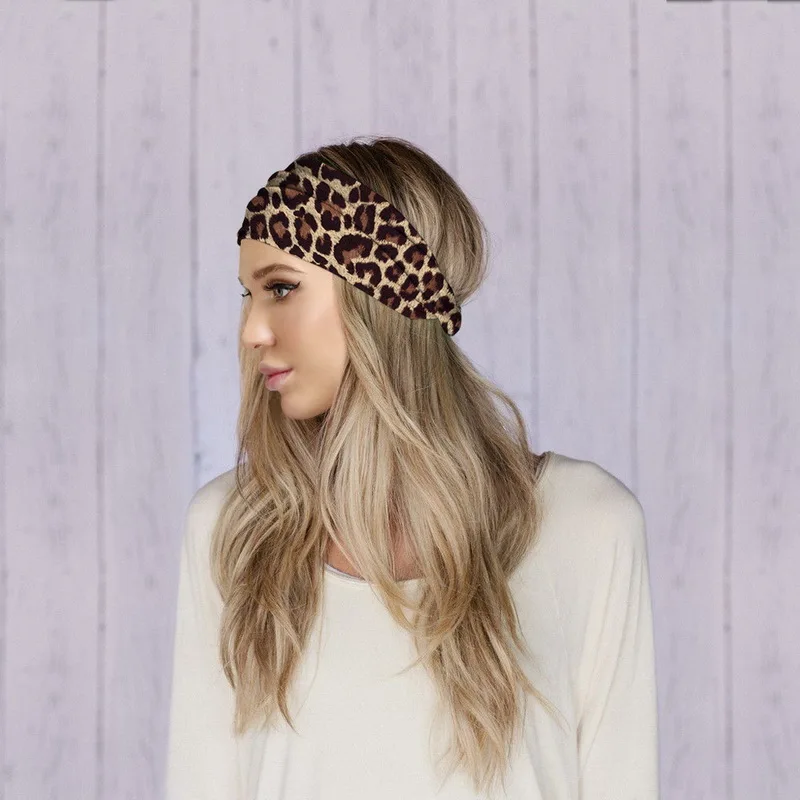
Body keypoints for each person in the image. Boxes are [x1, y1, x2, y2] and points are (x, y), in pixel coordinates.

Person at [164, 136, 660, 799]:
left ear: (380, 296)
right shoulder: (234, 529)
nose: (252, 331)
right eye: (248, 296)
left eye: (281, 288)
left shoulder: (586, 524)